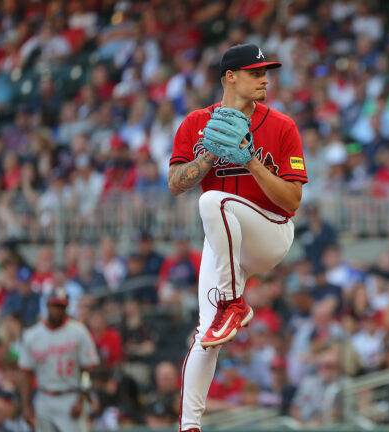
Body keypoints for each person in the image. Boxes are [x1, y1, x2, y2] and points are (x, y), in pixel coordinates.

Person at [167, 44, 306, 432]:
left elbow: (293, 200)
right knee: (206, 334)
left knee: (214, 201)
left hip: (269, 231)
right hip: (223, 241)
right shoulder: (196, 122)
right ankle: (189, 425)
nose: (265, 78)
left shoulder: (282, 126)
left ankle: (233, 303)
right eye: (255, 72)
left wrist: (249, 160)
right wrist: (208, 157)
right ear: (230, 77)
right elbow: (176, 185)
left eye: (266, 72)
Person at [18, 288, 100, 432]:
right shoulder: (32, 335)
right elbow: (26, 373)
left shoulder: (79, 332)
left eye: (62, 306)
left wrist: (81, 399)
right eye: (55, 305)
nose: (58, 310)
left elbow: (88, 370)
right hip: (43, 396)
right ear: (48, 305)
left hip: (70, 396)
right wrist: (26, 406)